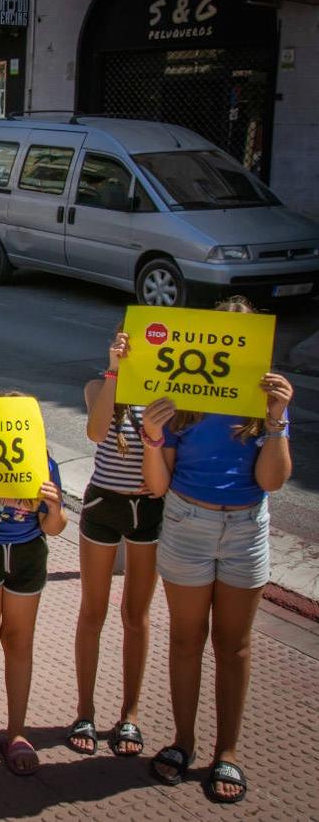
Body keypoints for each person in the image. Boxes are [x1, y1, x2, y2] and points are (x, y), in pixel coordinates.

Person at [142, 296, 293, 805]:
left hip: (247, 527)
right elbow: (157, 488)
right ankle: (183, 741)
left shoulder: (262, 403)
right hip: (187, 523)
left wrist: (277, 420)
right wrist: (151, 437)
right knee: (186, 640)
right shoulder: (179, 395)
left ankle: (227, 750)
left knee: (235, 645)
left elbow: (271, 479)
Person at [0, 392, 67, 776]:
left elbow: (54, 528)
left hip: (27, 557)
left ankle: (17, 729)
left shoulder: (43, 464)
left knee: (19, 641)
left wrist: (54, 509)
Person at [69, 329, 162, 757]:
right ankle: (85, 710)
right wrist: (114, 371)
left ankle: (130, 713)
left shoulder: (168, 399)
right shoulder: (98, 386)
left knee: (135, 614)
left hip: (149, 510)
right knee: (93, 610)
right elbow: (94, 431)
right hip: (104, 503)